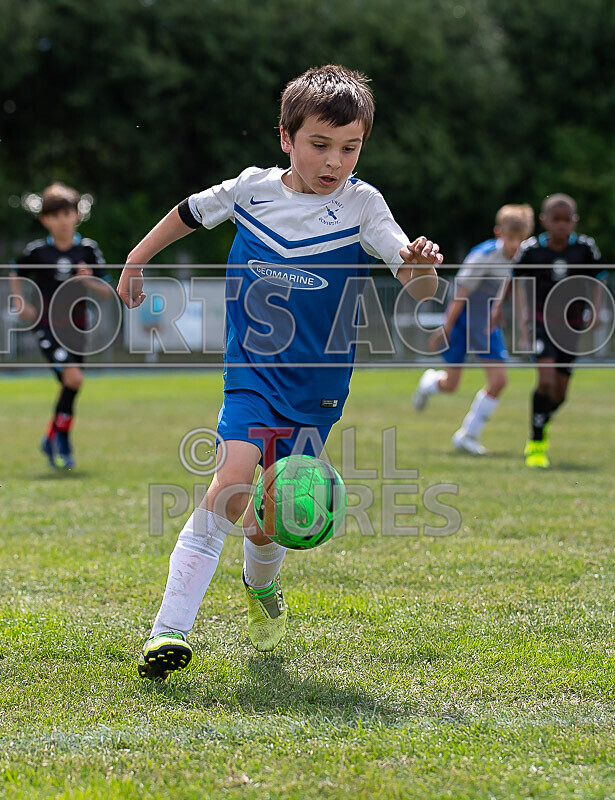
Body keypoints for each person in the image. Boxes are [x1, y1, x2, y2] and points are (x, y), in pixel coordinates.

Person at [116, 64, 443, 681]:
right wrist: (135, 260)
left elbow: (414, 282)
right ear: (287, 138)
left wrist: (421, 263)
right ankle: (169, 629)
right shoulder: (251, 190)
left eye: (350, 148)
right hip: (252, 375)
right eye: (320, 145)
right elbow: (188, 212)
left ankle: (261, 591)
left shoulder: (362, 204)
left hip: (318, 389)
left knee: (271, 522)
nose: (334, 162)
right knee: (234, 482)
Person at [412, 204, 534, 454]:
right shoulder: (483, 256)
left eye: (521, 240)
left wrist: (516, 321)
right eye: (511, 239)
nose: (515, 245)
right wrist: (445, 327)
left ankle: (467, 436)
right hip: (461, 319)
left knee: (499, 381)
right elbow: (460, 295)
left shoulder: (522, 255)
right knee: (451, 385)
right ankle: (429, 383)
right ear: (499, 233)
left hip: (486, 322)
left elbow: (514, 284)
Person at [9, 183, 110, 469]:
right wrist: (19, 301)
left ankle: (52, 436)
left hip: (77, 329)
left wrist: (88, 280)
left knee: (71, 384)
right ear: (45, 220)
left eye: (68, 213)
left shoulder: (88, 250)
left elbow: (106, 291)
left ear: (77, 216)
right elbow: (15, 270)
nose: (62, 220)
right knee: (74, 379)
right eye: (55, 215)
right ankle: (62, 439)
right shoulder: (38, 252)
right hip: (47, 325)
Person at [514, 193, 605, 468]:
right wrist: (523, 324)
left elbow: (597, 281)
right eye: (556, 220)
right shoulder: (531, 251)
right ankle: (536, 444)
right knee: (545, 381)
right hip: (542, 321)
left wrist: (596, 311)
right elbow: (518, 285)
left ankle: (540, 417)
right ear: (544, 221)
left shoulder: (585, 249)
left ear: (575, 221)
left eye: (568, 220)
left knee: (559, 393)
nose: (562, 225)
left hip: (571, 325)